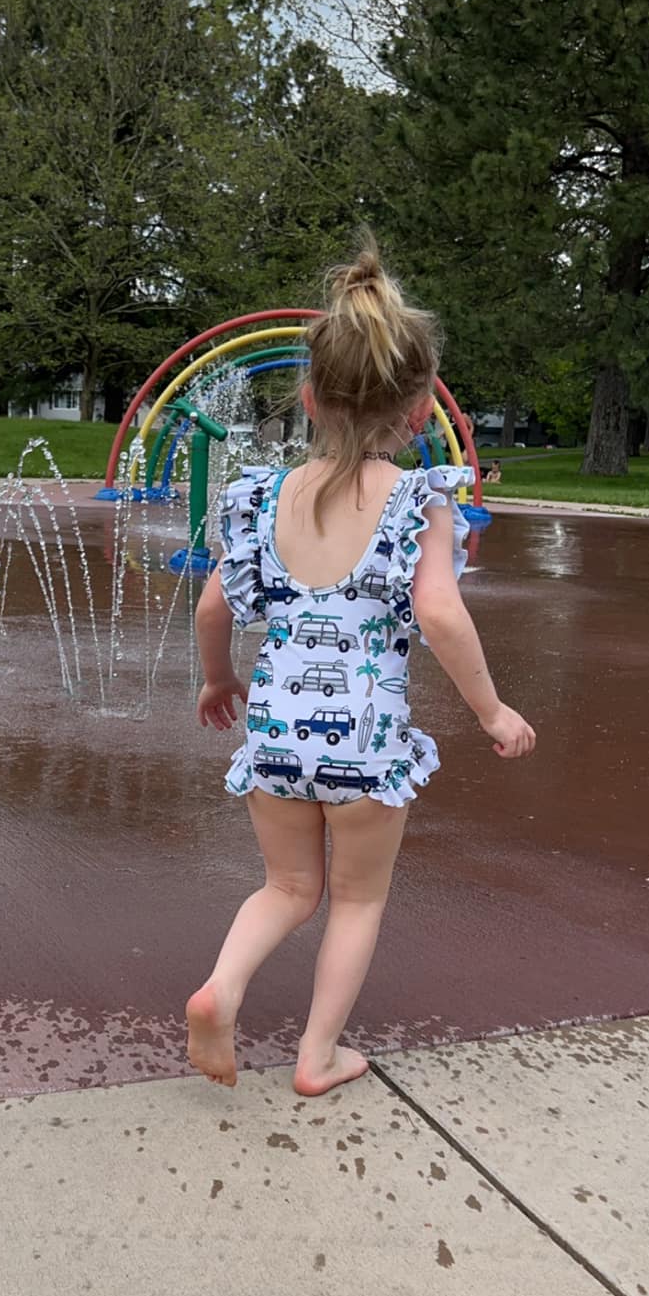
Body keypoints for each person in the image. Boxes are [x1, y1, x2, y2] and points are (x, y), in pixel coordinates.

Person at [186, 240, 535, 1093]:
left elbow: (212, 606)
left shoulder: (259, 499)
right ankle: (316, 1056)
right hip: (365, 750)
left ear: (308, 397)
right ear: (419, 412)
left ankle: (222, 989)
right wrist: (492, 712)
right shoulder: (421, 502)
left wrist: (217, 679)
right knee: (357, 899)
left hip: (273, 740)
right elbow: (441, 614)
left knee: (286, 887)